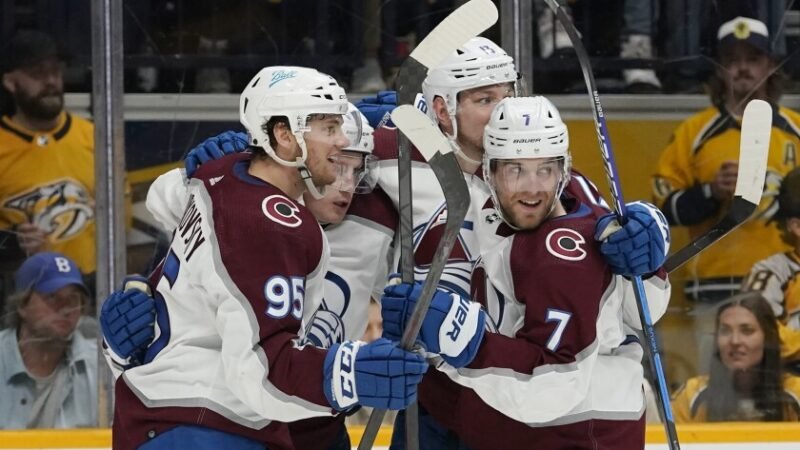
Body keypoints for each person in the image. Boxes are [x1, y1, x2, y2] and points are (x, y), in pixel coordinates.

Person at [107, 66, 426, 450]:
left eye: (356, 168)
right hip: (207, 421)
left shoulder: (223, 174)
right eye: (329, 130)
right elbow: (261, 371)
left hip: (175, 415)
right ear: (284, 135)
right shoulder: (270, 221)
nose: (345, 176)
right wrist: (351, 374)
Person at [381, 96, 671, 449]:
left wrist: (459, 337)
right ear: (489, 173)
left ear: (562, 172)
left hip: (573, 435)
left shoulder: (560, 255)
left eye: (545, 170)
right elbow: (640, 311)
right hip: (513, 430)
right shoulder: (510, 209)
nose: (532, 187)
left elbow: (555, 383)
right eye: (515, 169)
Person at [652, 16, 800, 305]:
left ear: (771, 66)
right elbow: (663, 211)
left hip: (789, 284)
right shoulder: (693, 132)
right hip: (713, 283)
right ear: (720, 70)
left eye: (753, 59)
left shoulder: (795, 128)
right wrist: (711, 192)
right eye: (732, 60)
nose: (743, 67)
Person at [0, 31, 97, 278]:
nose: (51, 81)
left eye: (55, 71)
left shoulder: (95, 137)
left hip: (90, 287)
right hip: (22, 293)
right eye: (37, 74)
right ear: (10, 82)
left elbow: (123, 226)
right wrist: (12, 242)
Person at [0, 252, 96, 429]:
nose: (65, 308)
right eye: (52, 296)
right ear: (22, 305)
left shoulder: (101, 367)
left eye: (73, 298)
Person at [671, 292, 800, 422]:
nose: (735, 341)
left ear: (768, 339)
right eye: (725, 330)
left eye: (747, 330)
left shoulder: (797, 392)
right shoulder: (690, 395)